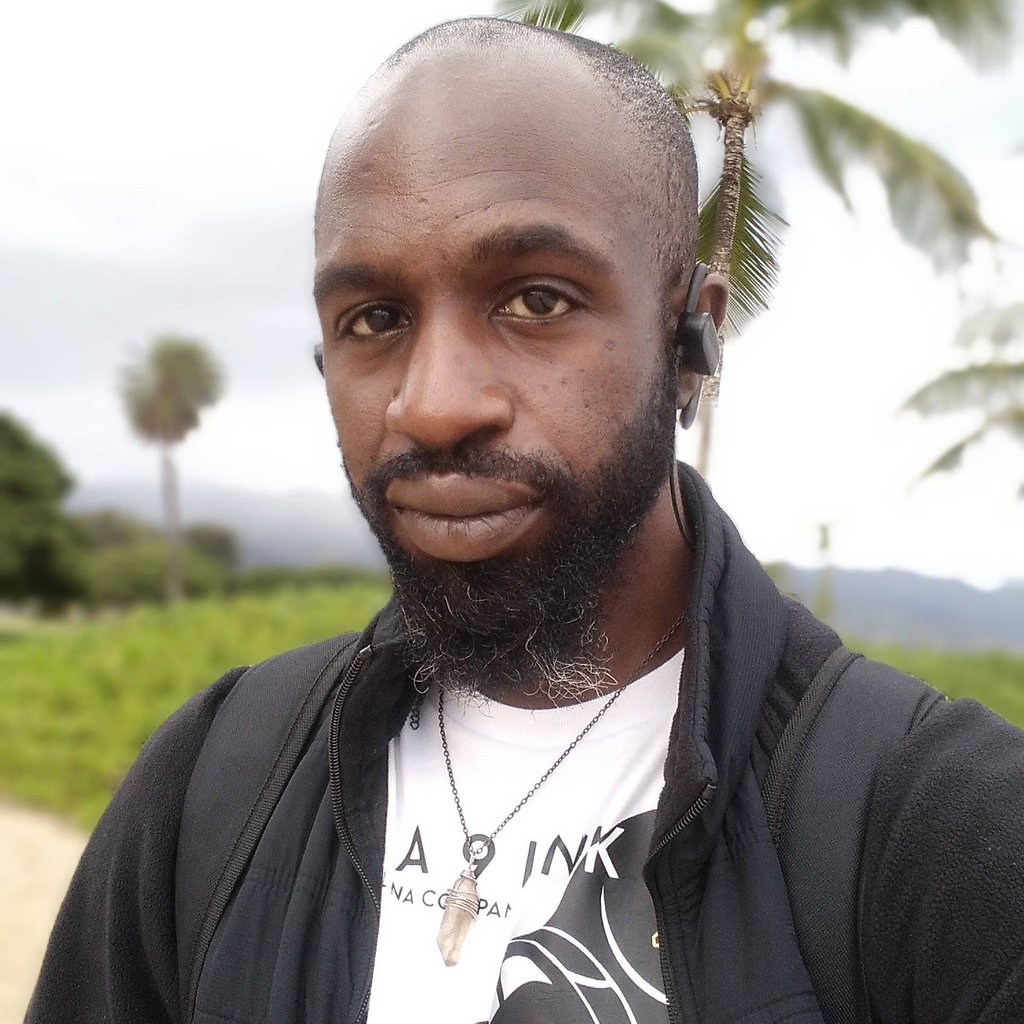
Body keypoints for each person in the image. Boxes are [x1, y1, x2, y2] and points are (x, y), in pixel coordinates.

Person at [28, 17, 1024, 1024]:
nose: (434, 405)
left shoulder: (943, 839)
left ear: (689, 342)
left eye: (536, 300)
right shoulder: (211, 789)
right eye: (374, 319)